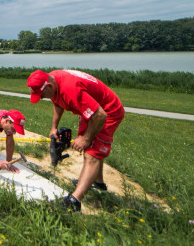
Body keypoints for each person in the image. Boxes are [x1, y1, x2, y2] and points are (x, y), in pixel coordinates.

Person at [27, 69, 125, 212]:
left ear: (48, 86)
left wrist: (86, 139)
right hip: (92, 110)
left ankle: (75, 201)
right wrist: (54, 127)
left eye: (41, 94)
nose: (41, 97)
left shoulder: (70, 89)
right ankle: (98, 184)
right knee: (90, 147)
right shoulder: (53, 80)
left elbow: (100, 115)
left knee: (92, 153)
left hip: (107, 111)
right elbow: (58, 102)